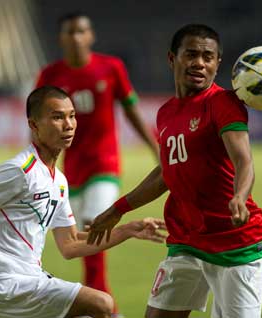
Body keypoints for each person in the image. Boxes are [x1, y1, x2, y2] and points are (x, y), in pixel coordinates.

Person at [88, 24, 262, 318]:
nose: (200, 62)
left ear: (217, 64)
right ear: (173, 58)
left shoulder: (223, 103)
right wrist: (118, 208)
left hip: (235, 243)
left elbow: (244, 160)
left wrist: (240, 195)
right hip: (187, 241)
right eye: (192, 54)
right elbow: (165, 173)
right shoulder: (166, 113)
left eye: (208, 57)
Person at [0, 86, 166, 318]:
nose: (69, 125)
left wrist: (129, 229)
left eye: (72, 116)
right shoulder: (20, 171)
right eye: (57, 117)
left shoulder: (59, 182)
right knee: (102, 304)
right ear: (34, 125)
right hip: (6, 282)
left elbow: (71, 244)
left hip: (31, 278)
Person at [34, 12, 159, 314]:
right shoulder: (50, 75)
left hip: (104, 165)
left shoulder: (111, 68)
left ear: (91, 36)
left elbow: (130, 110)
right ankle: (103, 306)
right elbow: (38, 126)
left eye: (81, 31)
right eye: (70, 32)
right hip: (69, 170)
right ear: (61, 38)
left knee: (95, 222)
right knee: (79, 242)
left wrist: (155, 146)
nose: (76, 37)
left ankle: (102, 306)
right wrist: (41, 165)